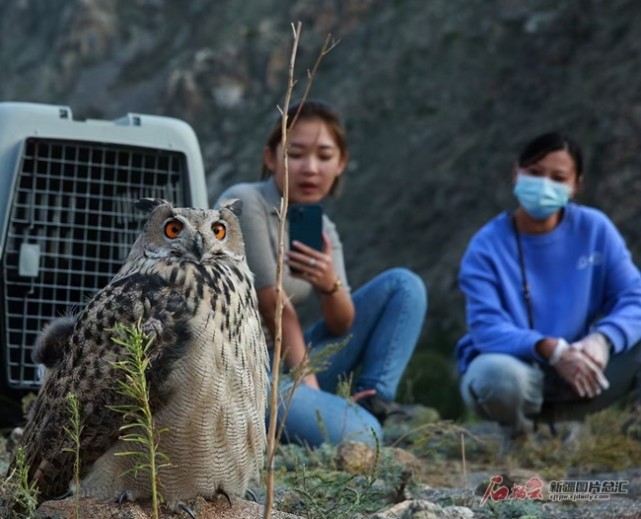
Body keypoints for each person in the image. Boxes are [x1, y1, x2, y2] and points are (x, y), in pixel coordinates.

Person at [215, 100, 427, 448]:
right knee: (364, 437)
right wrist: (305, 378)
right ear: (271, 158)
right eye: (295, 154)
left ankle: (371, 399)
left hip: (288, 361)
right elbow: (273, 304)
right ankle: (335, 419)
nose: (310, 168)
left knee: (404, 286)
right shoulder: (243, 201)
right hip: (245, 368)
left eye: (324, 156)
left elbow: (342, 325)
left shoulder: (321, 227)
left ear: (341, 163)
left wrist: (329, 285)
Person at [456, 131, 641, 445]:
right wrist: (550, 348)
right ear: (516, 173)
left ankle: (622, 435)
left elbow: (633, 298)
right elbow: (486, 328)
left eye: (558, 177)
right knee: (495, 376)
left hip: (586, 373)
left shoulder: (594, 230)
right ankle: (519, 433)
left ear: (575, 185)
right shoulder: (486, 246)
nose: (544, 185)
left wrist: (603, 339)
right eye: (535, 173)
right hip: (521, 374)